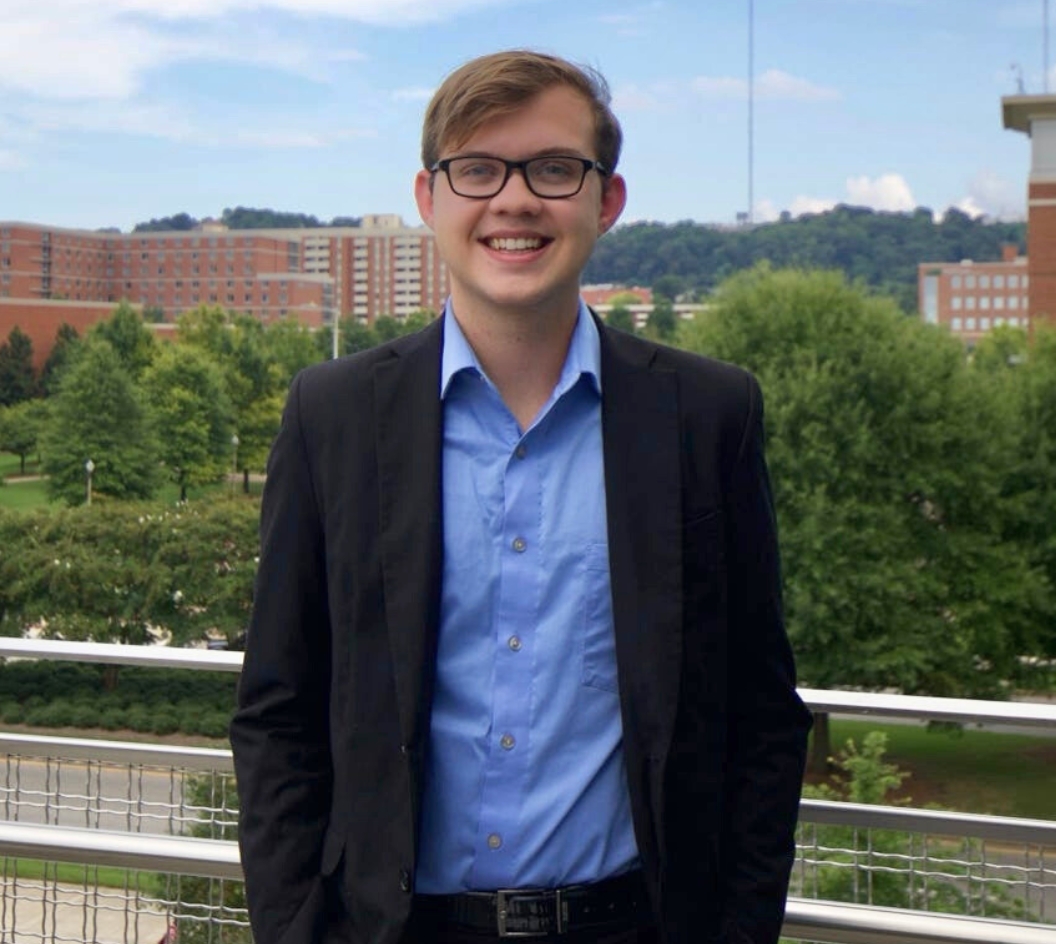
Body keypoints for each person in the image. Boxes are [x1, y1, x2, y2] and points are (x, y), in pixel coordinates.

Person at [230, 49, 811, 944]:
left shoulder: (707, 415)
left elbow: (762, 713)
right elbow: (279, 709)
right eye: (477, 170)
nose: (514, 200)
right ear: (429, 199)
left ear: (606, 201)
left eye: (553, 168)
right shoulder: (333, 414)